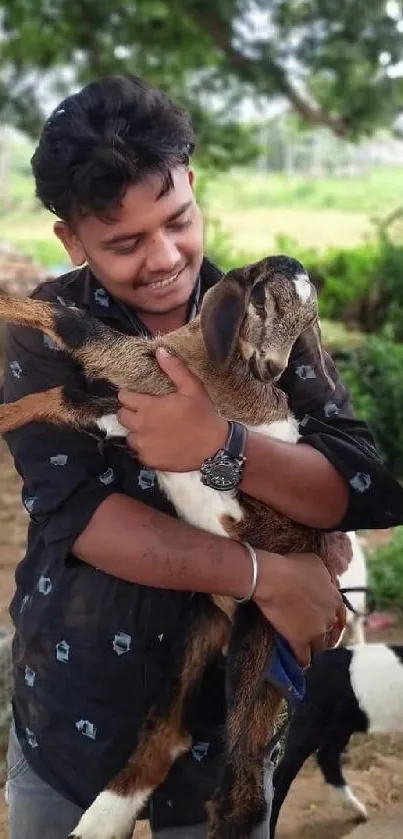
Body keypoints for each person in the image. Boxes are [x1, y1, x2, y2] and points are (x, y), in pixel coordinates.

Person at [2, 74, 403, 839]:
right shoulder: (45, 330)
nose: (163, 257)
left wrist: (219, 448)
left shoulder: (269, 311)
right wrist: (264, 574)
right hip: (76, 705)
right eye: (123, 242)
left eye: (178, 219)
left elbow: (352, 487)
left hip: (231, 728)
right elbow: (76, 512)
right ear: (71, 238)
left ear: (193, 184)